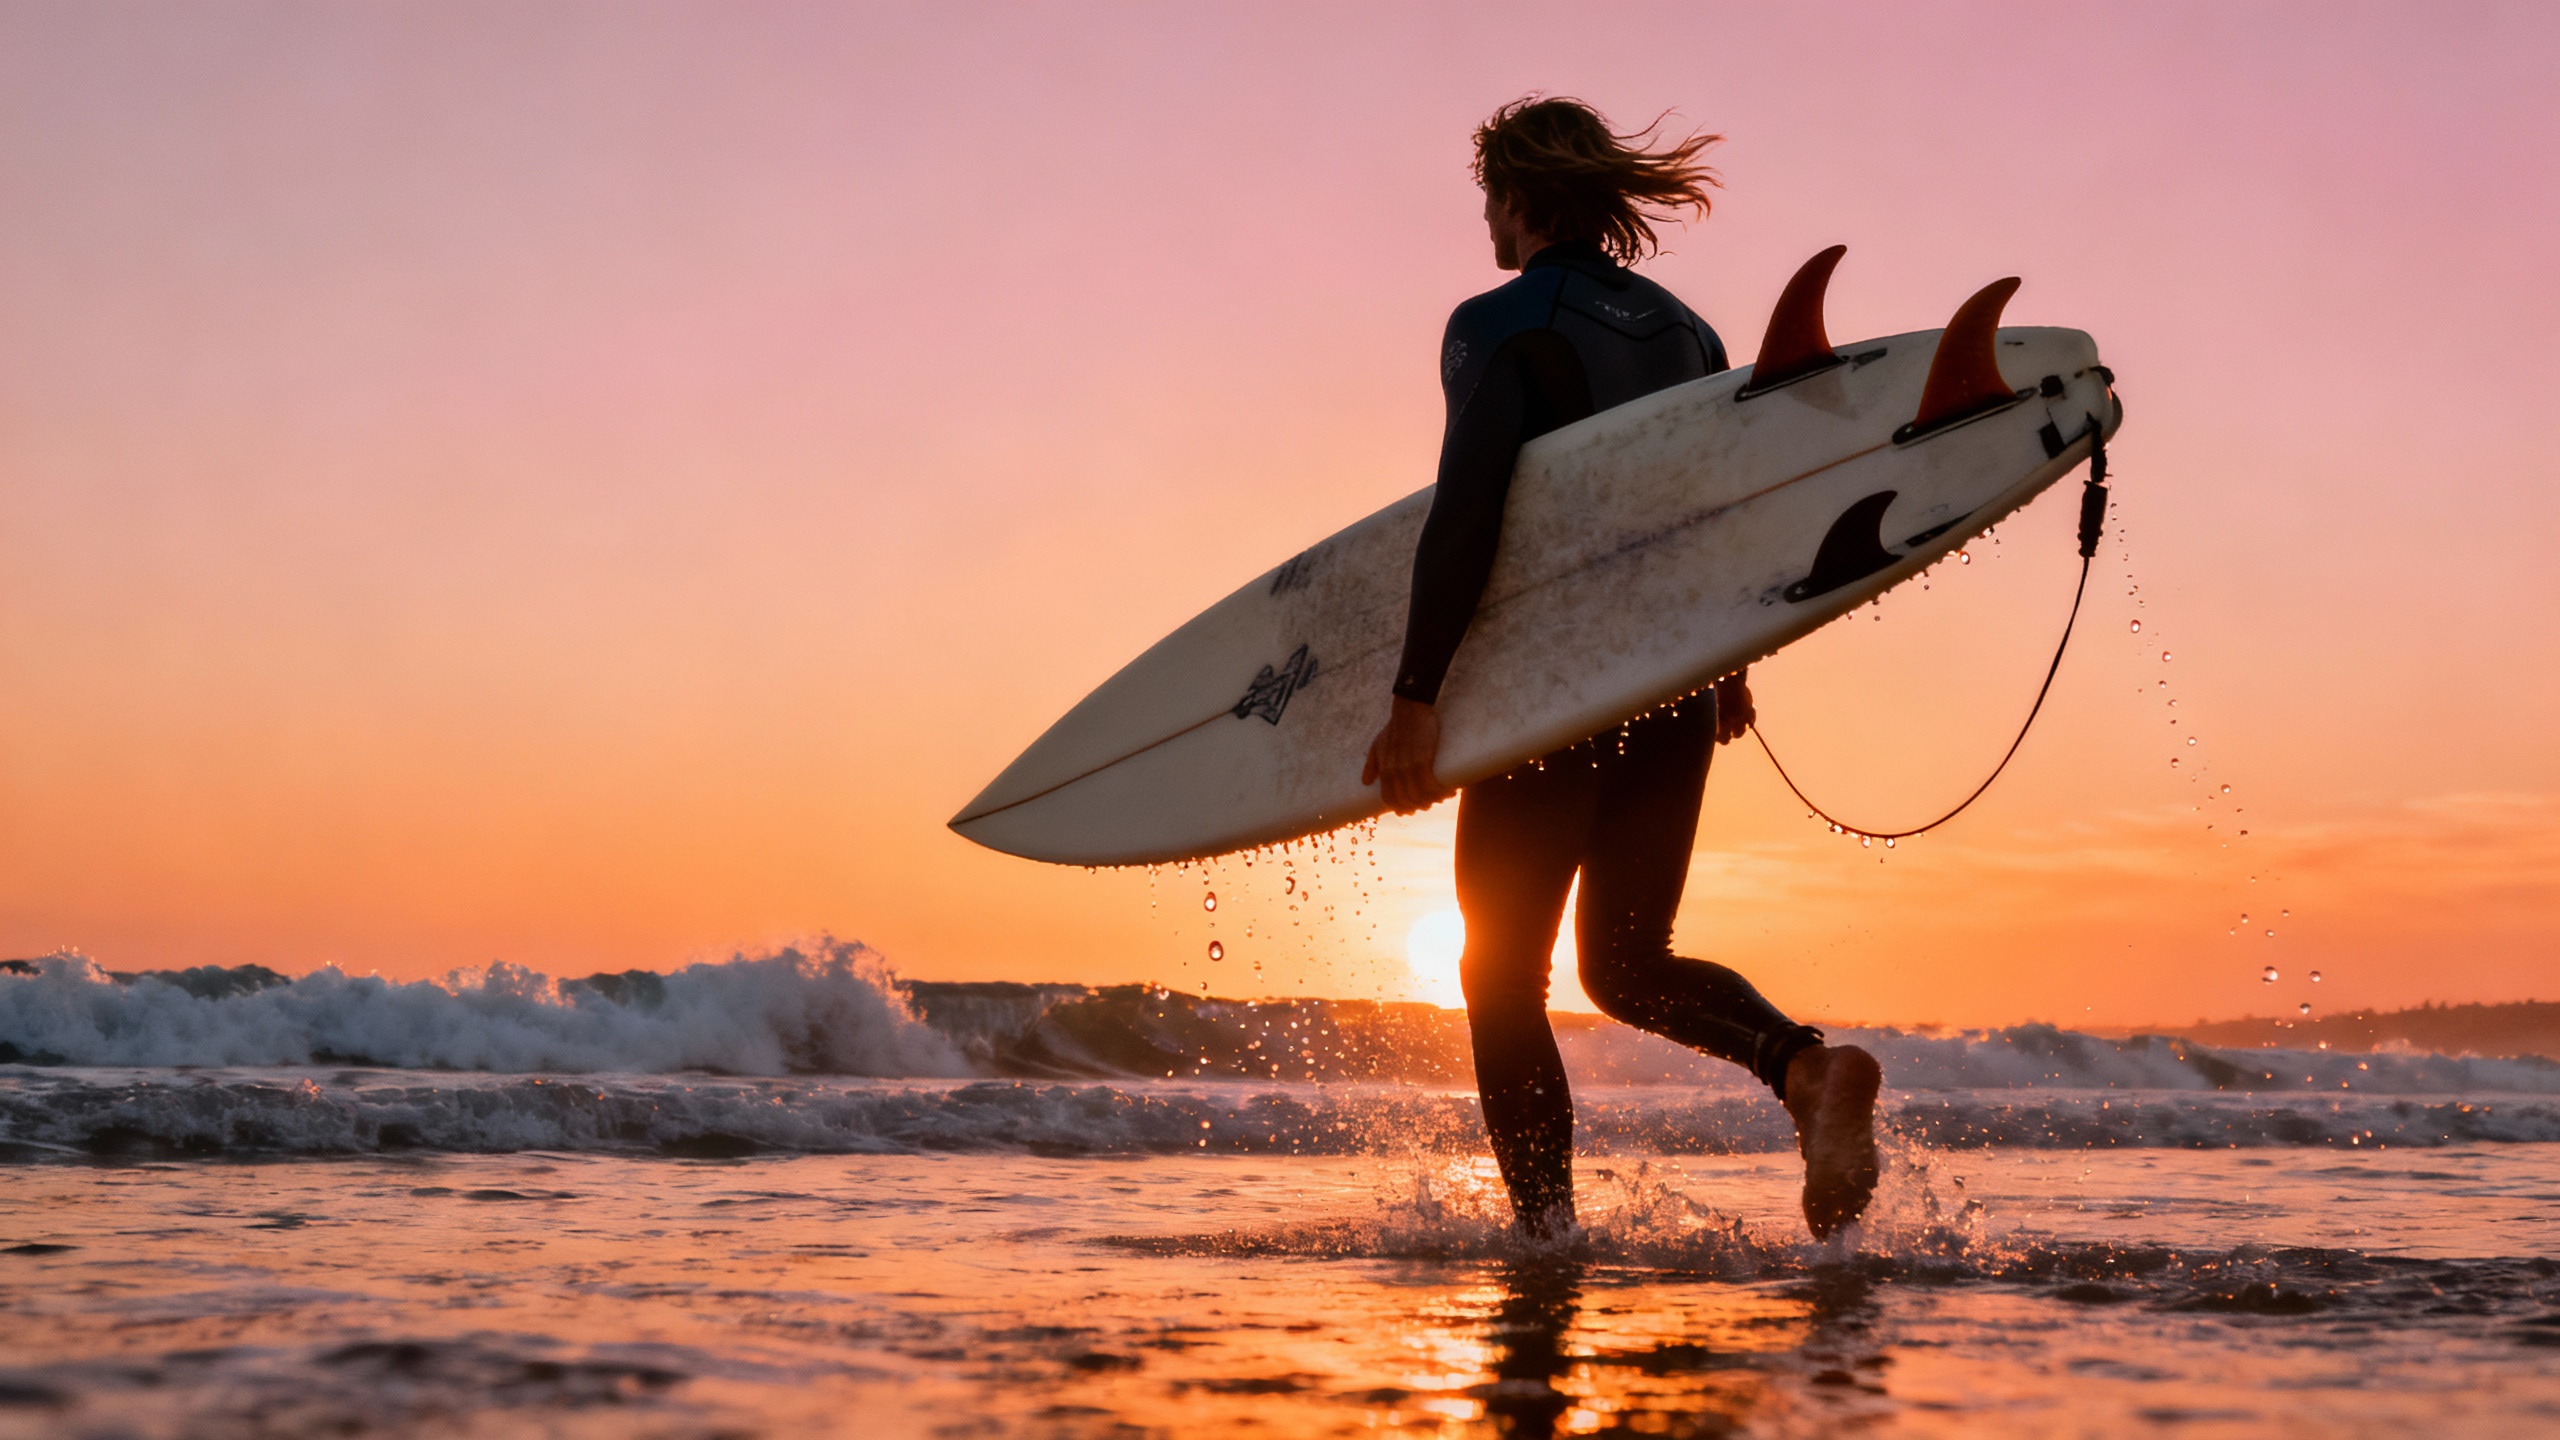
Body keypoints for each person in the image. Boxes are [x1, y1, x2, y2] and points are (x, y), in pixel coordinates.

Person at [1361, 97, 1882, 1240]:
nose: (1486, 225)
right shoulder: (1689, 332)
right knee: (1627, 963)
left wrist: (1415, 698)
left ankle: (1544, 1240)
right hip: (1675, 688)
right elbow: (1711, 513)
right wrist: (1727, 661)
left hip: (1562, 686)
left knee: (1501, 978)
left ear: (1518, 195)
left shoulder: (1500, 320)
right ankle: (1805, 1072)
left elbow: (1468, 514)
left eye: (1488, 201)